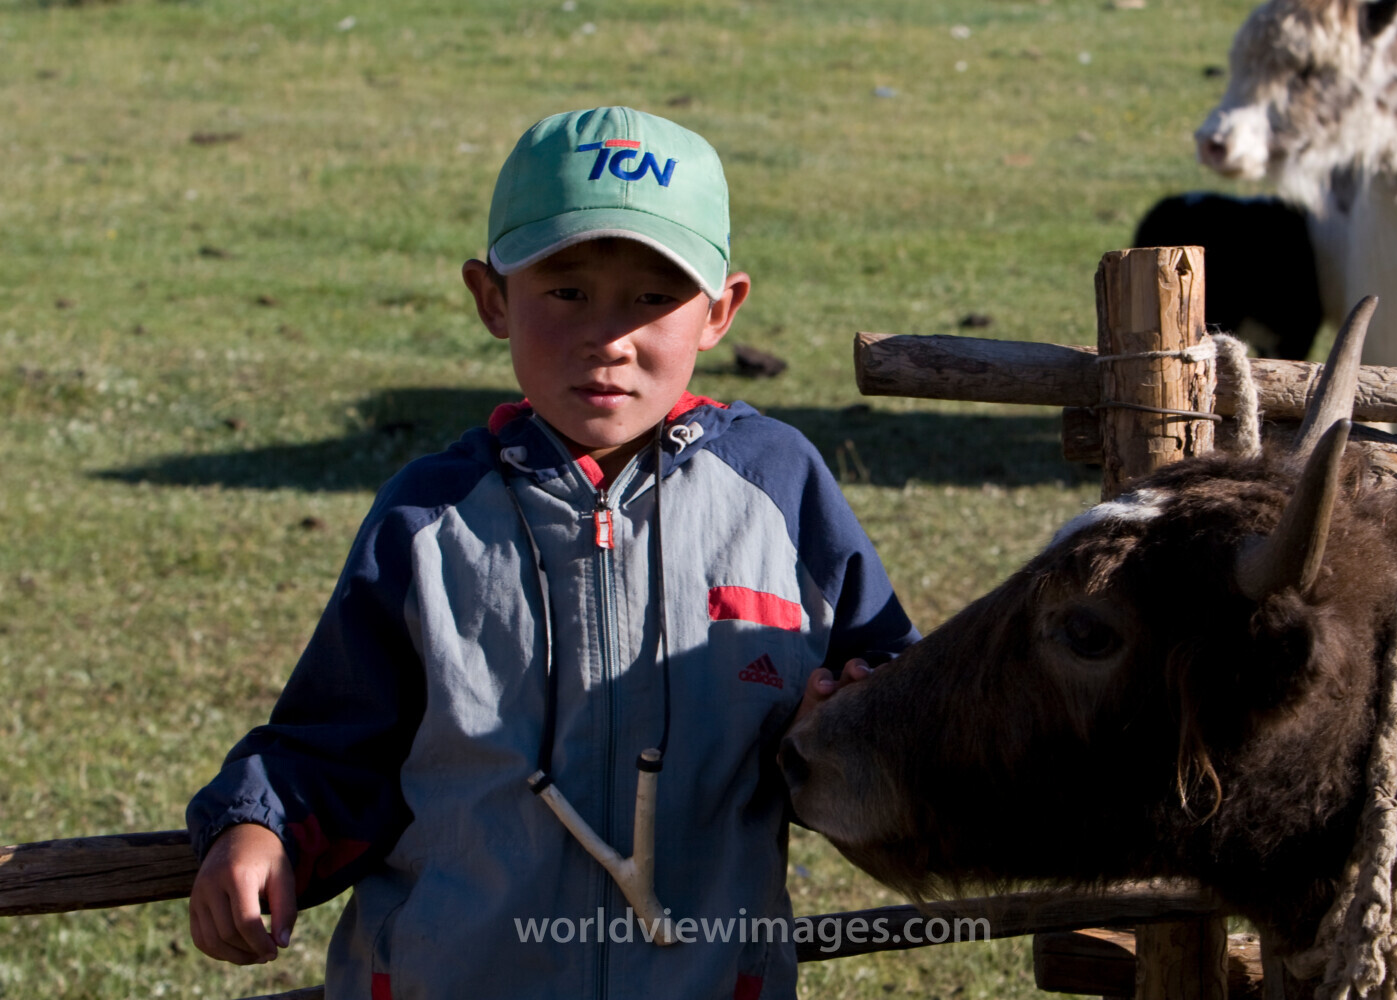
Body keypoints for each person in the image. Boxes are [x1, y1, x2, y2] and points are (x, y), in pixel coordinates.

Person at [186, 106, 918, 1000]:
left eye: (653, 297)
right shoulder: (428, 518)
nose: (608, 337)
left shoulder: (780, 493)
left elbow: (902, 706)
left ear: (721, 311)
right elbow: (335, 741)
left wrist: (841, 714)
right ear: (493, 298)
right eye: (566, 292)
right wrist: (257, 827)